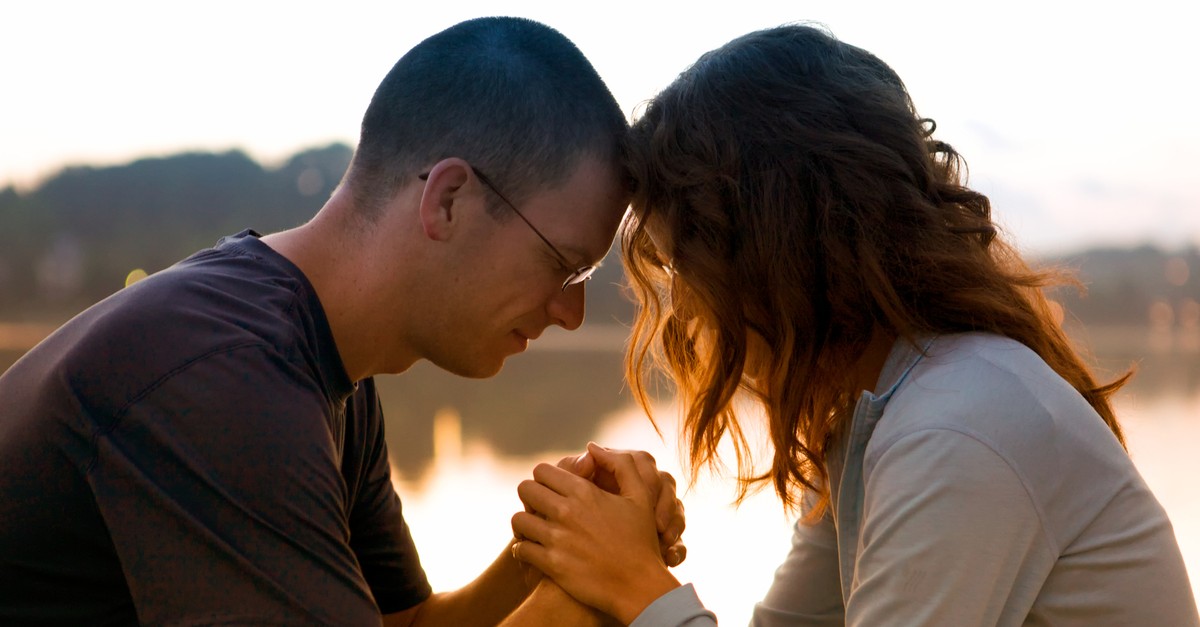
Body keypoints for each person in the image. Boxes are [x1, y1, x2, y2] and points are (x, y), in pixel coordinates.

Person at [0, 16, 685, 626]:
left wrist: (551, 548)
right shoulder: (224, 379)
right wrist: (592, 597)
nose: (570, 314)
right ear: (447, 200)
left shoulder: (327, 371)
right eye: (564, 267)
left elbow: (407, 620)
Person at [510, 23, 1200, 626]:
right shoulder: (879, 416)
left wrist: (636, 584)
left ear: (768, 255)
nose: (685, 314)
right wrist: (605, 558)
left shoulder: (959, 424)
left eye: (685, 268)